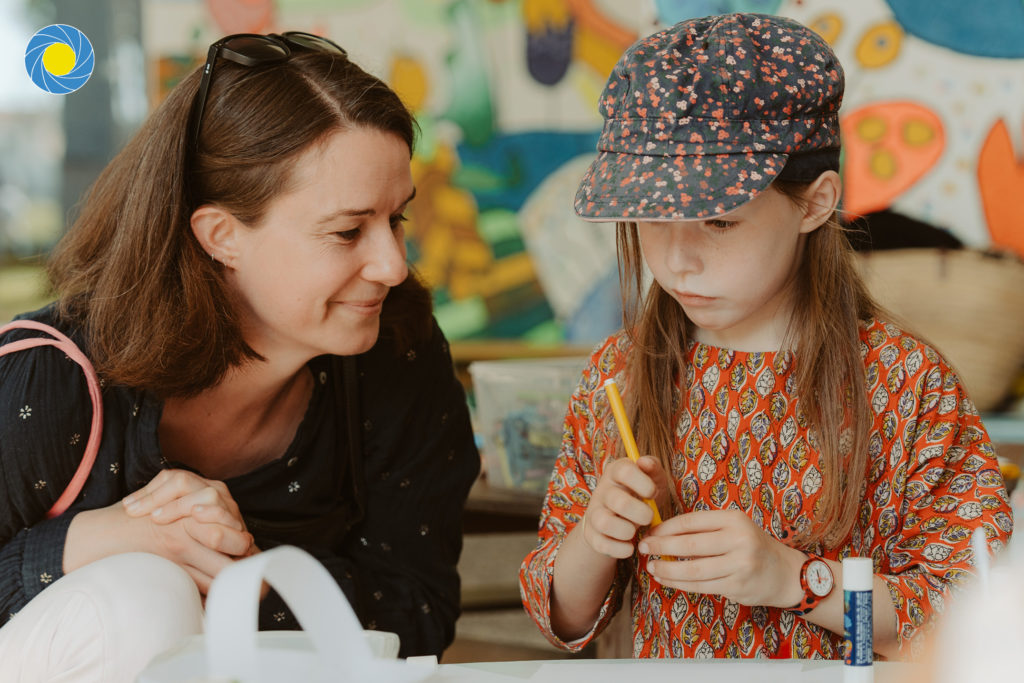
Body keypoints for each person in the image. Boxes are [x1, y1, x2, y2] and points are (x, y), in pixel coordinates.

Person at [519, 13, 1012, 661]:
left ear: (814, 202)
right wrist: (593, 539)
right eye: (649, 219)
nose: (676, 261)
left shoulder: (906, 382)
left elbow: (972, 615)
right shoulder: (622, 370)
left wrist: (794, 579)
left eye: (718, 222)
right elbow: (563, 615)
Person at [0, 31, 479, 681]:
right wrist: (90, 543)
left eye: (396, 219)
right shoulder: (47, 379)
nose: (393, 265)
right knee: (145, 590)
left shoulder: (396, 351)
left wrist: (247, 574)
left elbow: (418, 614)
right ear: (221, 235)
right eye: (347, 230)